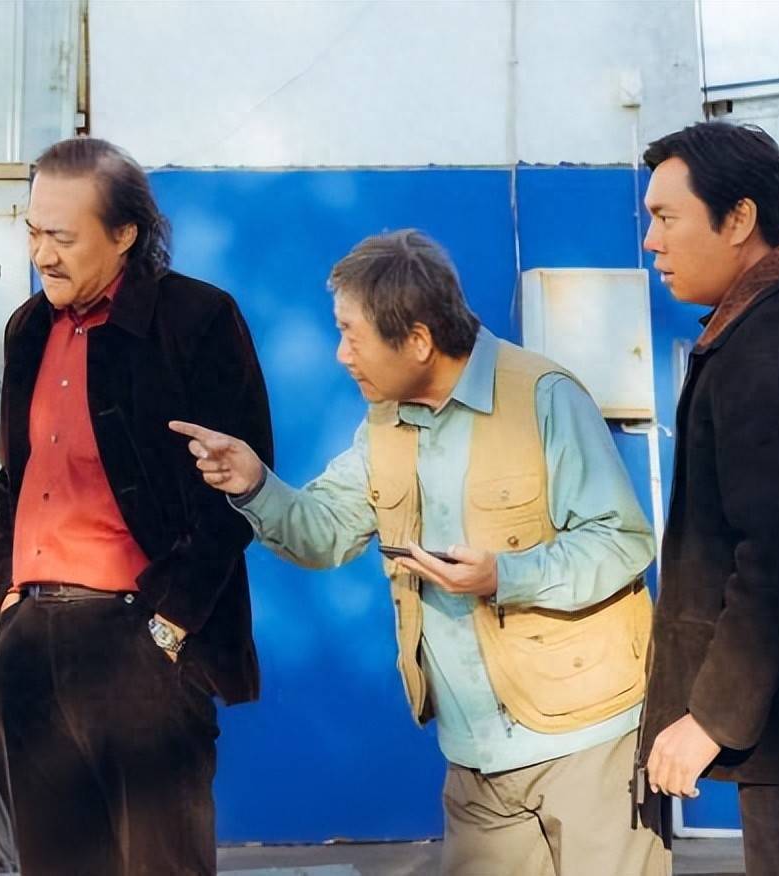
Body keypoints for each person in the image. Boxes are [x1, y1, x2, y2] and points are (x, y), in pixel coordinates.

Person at [171, 229, 667, 875]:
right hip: (474, 757)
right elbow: (324, 533)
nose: (341, 355)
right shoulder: (383, 422)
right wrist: (255, 485)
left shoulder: (543, 397)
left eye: (352, 335)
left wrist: (505, 575)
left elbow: (621, 540)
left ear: (418, 340)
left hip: (586, 742)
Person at [0, 137, 273, 876]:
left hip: (141, 643)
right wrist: (8, 602)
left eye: (61, 236)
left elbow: (239, 490)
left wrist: (168, 626)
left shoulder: (197, 319)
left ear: (124, 234)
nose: (41, 254)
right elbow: (14, 479)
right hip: (34, 641)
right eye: (32, 232)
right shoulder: (27, 328)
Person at [637, 121, 779, 874]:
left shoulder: (771, 346)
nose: (651, 241)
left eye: (666, 217)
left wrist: (712, 717)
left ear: (738, 219)